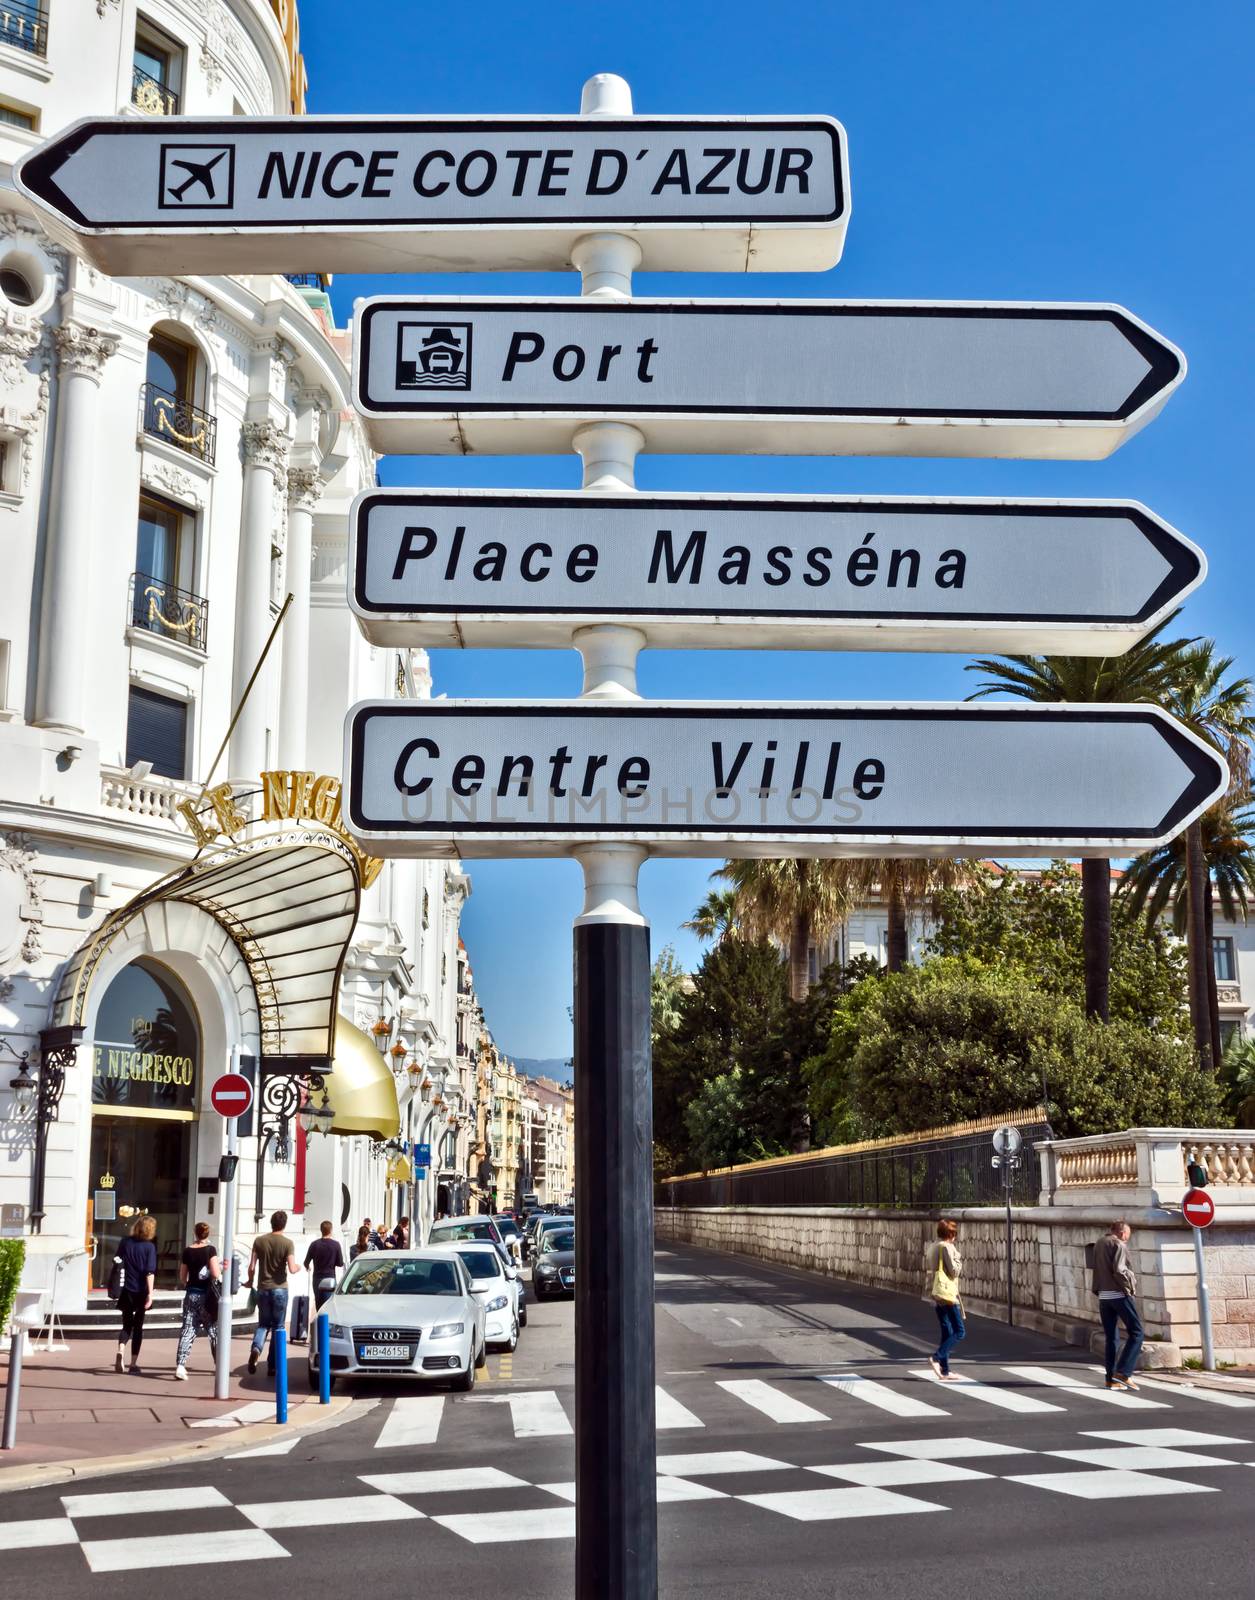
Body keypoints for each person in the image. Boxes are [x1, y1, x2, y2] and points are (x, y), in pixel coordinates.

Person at [245, 1210, 298, 1377]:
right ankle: (272, 1366)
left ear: (271, 1223)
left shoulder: (259, 1241)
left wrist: (250, 1282)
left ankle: (256, 1348)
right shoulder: (287, 1243)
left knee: (263, 1325)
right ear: (284, 1224)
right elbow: (291, 1267)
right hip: (280, 1289)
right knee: (278, 1327)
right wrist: (298, 1268)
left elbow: (252, 1267)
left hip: (263, 1289)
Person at [1092, 1219, 1144, 1390]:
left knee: (1112, 1339)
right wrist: (1130, 1286)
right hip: (1119, 1295)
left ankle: (1110, 1379)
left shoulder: (1099, 1243)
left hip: (1104, 1297)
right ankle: (1123, 1372)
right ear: (1122, 1233)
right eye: (1127, 1236)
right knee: (1137, 1332)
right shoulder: (1119, 1245)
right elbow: (1120, 1270)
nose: (1127, 1239)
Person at [175, 1220, 221, 1380]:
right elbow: (215, 1273)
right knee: (214, 1330)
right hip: (207, 1296)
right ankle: (219, 1364)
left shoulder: (187, 1251)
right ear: (207, 1234)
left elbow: (182, 1276)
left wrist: (189, 1284)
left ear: (195, 1233)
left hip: (191, 1295)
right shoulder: (210, 1250)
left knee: (188, 1329)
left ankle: (180, 1365)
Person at [115, 1214, 157, 1375]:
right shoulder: (149, 1247)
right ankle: (133, 1363)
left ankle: (120, 1349)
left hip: (126, 1289)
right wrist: (150, 1294)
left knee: (126, 1324)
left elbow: (117, 1260)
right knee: (138, 1327)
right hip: (141, 1291)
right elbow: (149, 1272)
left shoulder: (126, 1242)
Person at [925, 1218, 965, 1380]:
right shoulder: (947, 1248)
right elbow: (954, 1271)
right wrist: (958, 1258)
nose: (955, 1236)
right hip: (947, 1293)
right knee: (959, 1331)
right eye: (954, 1233)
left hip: (936, 1292)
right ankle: (936, 1357)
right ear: (950, 1234)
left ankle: (945, 1370)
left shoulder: (933, 1246)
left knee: (946, 1330)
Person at [304, 1220, 344, 1309]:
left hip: (317, 1278)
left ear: (321, 1230)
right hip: (330, 1278)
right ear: (331, 1230)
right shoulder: (336, 1244)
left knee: (319, 1305)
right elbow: (340, 1263)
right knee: (328, 1305)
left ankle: (319, 1322)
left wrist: (308, 1267)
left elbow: (306, 1262)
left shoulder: (314, 1244)